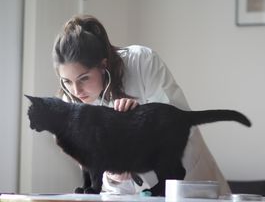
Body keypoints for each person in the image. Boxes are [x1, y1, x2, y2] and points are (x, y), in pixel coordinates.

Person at [52, 14, 231, 196]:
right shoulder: (70, 104)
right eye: (66, 81)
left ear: (103, 65)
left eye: (84, 78)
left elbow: (174, 125)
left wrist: (135, 121)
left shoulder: (141, 62)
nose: (76, 90)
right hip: (123, 193)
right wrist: (113, 171)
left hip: (185, 184)